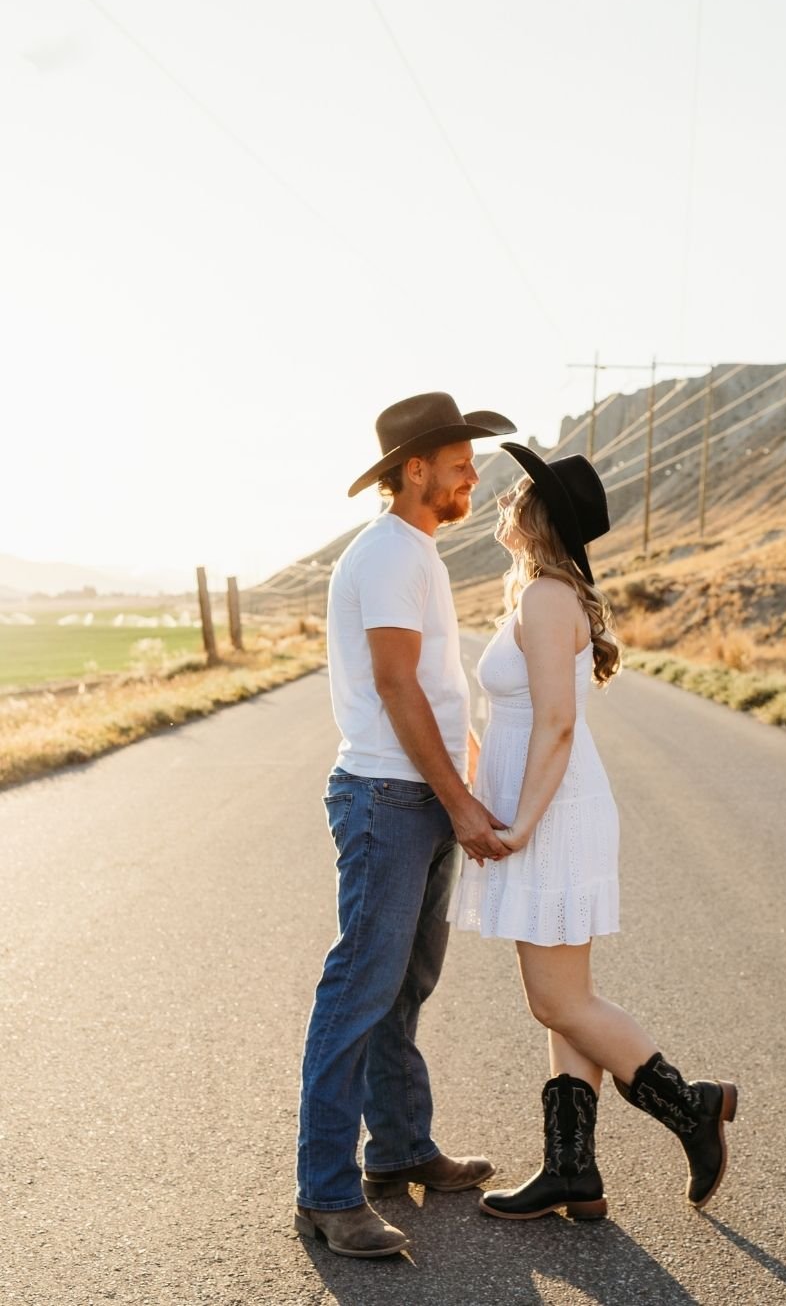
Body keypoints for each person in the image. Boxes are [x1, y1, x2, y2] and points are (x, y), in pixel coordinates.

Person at [449, 443, 738, 1220]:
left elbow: (557, 723)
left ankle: (693, 1107)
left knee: (558, 1002)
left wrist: (521, 826)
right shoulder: (542, 594)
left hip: (551, 815)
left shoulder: (548, 598)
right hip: (546, 810)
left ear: (540, 515)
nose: (505, 499)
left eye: (519, 493)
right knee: (565, 999)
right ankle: (570, 1170)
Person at [295, 391, 517, 1258]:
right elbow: (395, 684)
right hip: (388, 800)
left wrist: (467, 777)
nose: (473, 476)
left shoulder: (416, 551)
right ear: (414, 468)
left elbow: (434, 684)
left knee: (404, 985)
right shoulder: (389, 553)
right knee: (359, 988)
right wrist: (459, 803)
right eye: (460, 463)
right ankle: (326, 1193)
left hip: (417, 795)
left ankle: (397, 1149)